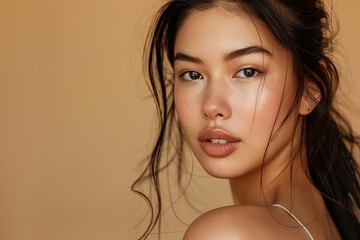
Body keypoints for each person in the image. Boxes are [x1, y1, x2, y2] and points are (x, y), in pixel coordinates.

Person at [132, 0, 360, 239]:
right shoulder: (324, 220)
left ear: (309, 88)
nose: (211, 106)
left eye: (247, 72)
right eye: (192, 74)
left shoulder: (227, 234)